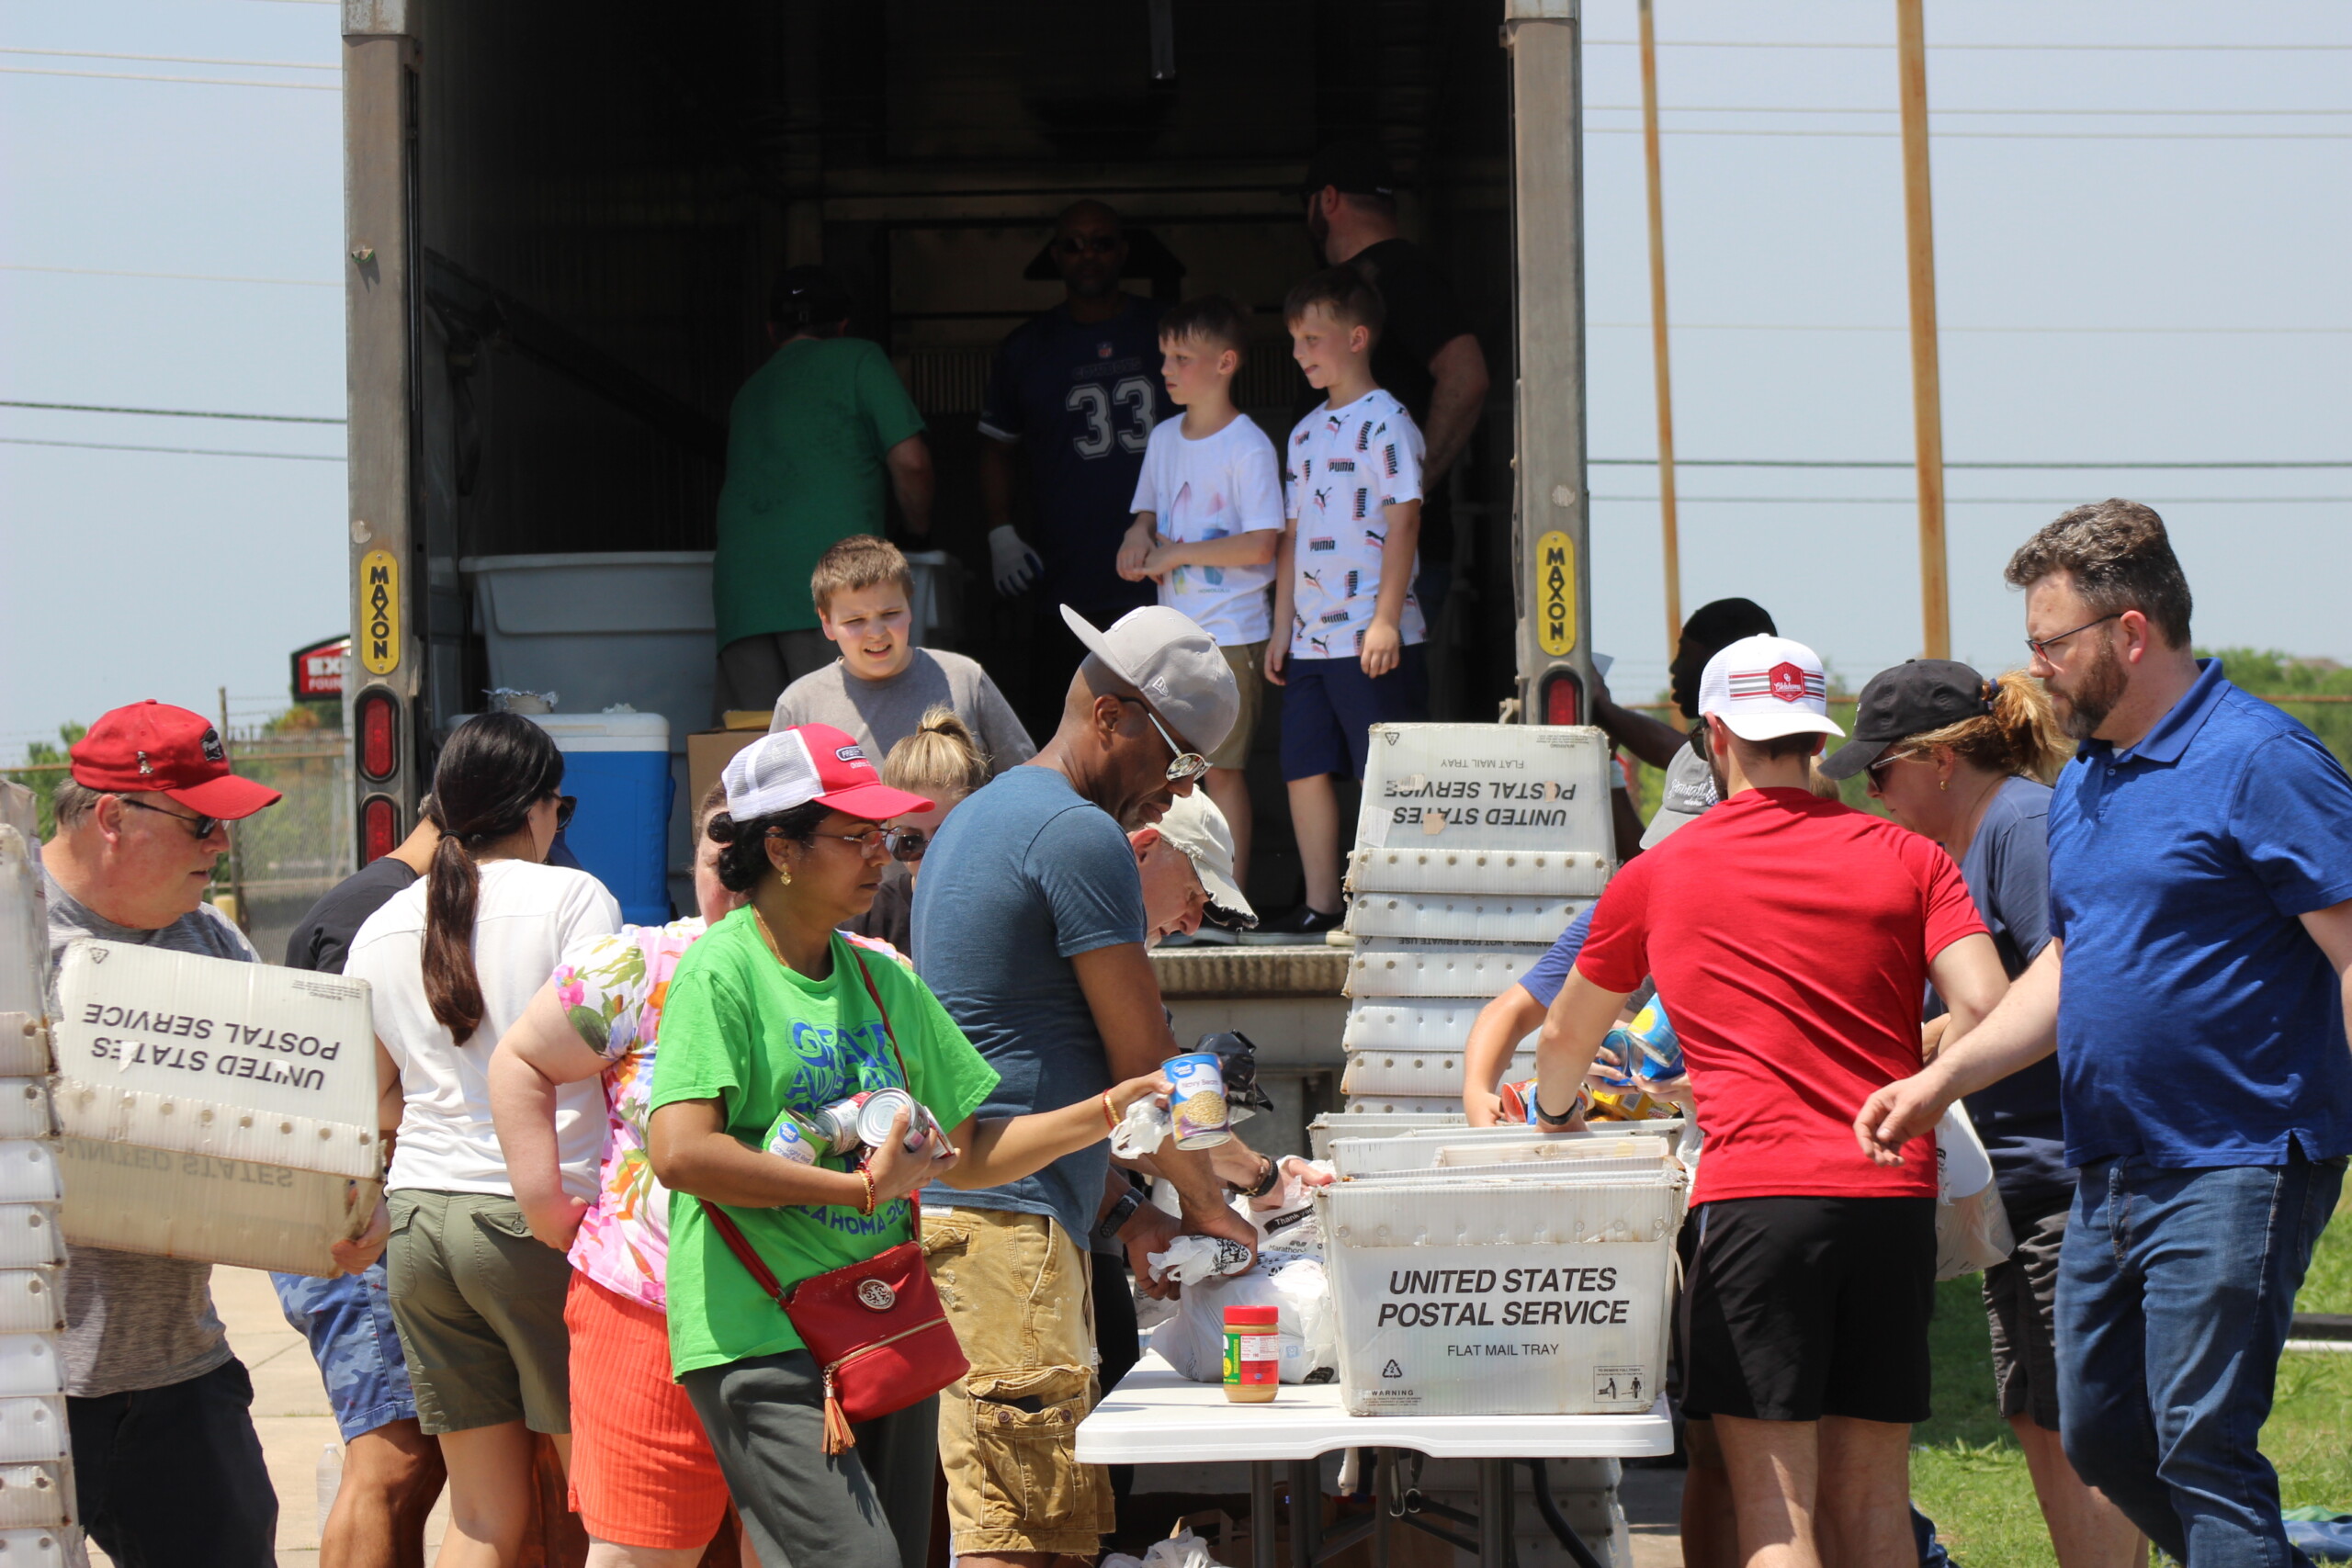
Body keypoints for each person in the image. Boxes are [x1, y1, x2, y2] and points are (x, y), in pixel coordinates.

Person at [1858, 501, 2352, 1568]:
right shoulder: (2088, 781)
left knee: (2197, 1446)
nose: (2034, 669)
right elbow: (2070, 966)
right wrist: (1946, 1077)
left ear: (2130, 634)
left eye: (2051, 643)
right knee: (2100, 1437)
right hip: (2110, 1168)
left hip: (2237, 1159)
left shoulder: (2260, 760)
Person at [644, 726, 1170, 1568]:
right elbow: (679, 1153)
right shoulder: (723, 971)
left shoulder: (884, 977)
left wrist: (1106, 1108)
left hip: (882, 1319)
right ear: (778, 847)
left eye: (881, 835)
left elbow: (975, 1149)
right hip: (760, 1327)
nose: (878, 856)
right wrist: (861, 1191)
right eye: (853, 836)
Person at [1534, 636, 2008, 1568]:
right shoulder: (1906, 857)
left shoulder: (1661, 872)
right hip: (1890, 1198)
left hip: (1756, 1203)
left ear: (1715, 735)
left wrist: (1556, 1116)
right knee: (1874, 1500)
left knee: (1776, 1511)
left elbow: (1561, 1038)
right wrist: (1918, 1087)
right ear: (1815, 734)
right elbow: (1987, 1006)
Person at [910, 604, 1261, 1567]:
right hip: (1003, 1236)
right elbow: (1148, 1076)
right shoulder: (1078, 834)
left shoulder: (984, 815)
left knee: (1028, 1518)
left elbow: (1018, 1072)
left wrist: (1125, 1218)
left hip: (992, 1214)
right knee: (1020, 1535)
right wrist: (1228, 1205)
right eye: (1178, 760)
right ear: (1113, 716)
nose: (1177, 787)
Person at [1822, 660, 2143, 1568]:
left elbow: (2074, 985)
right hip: (2019, 1183)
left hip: (2066, 1178)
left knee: (2084, 1425)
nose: (1873, 793)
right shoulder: (1978, 840)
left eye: (1878, 772)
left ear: (1936, 760)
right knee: (2037, 1413)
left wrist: (1923, 1060)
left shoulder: (2020, 827)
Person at [346, 713, 620, 1565]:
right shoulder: (574, 899)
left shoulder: (384, 922)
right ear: (538, 808)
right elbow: (614, 1046)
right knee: (608, 1505)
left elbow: (372, 1100)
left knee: (480, 1515)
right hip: (541, 1217)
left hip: (422, 1224)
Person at [39, 700, 289, 1564]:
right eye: (201, 822)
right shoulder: (11, 937)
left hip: (174, 1374)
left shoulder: (208, 937)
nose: (220, 845)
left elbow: (302, 1117)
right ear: (113, 817)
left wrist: (343, 1202)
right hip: (20, 1381)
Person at [481, 784, 754, 1568]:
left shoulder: (864, 972)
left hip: (804, 1317)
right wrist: (541, 1199)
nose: (730, 880)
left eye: (749, 859)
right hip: (646, 1303)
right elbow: (524, 1058)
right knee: (636, 1554)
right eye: (715, 857)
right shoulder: (640, 964)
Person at [276, 806, 450, 1568]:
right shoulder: (375, 917)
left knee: (414, 1457)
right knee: (393, 1456)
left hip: (362, 1210)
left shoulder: (372, 900)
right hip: (350, 1212)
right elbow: (348, 1089)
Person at [1259, 267, 1429, 940]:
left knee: (1379, 771)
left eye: (1312, 338)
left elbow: (1405, 519)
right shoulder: (1302, 434)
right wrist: (1280, 628)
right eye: (1295, 339)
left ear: (1357, 338)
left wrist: (1386, 617)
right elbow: (1292, 535)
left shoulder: (1388, 420)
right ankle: (1323, 903)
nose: (1300, 353)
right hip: (1307, 640)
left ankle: (1387, 903)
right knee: (1303, 766)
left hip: (1370, 634)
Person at [977, 200, 1178, 742]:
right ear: (1055, 255)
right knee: (1074, 728)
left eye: (1102, 242)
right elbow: (997, 448)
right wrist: (1000, 530)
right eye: (1073, 244)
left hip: (1162, 566)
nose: (1088, 254)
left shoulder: (1164, 331)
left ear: (1124, 251)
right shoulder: (1027, 348)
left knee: (1167, 724)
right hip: (1065, 568)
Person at [1114, 294, 1284, 889]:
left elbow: (1263, 543)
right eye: (1165, 355)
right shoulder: (1163, 437)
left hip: (1230, 635)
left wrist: (1177, 552)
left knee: (1223, 773)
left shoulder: (1249, 445)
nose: (1166, 369)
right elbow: (1144, 513)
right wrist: (1136, 541)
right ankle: (1177, 896)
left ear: (1225, 362)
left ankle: (1228, 899)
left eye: (1181, 356)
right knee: (1167, 773)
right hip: (1170, 637)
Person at [714, 265, 934, 716]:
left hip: (743, 596)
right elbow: (911, 461)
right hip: (837, 589)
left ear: (772, 330)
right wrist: (918, 531)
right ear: (842, 325)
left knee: (756, 753)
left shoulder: (747, 392)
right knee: (850, 745)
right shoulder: (859, 359)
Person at [1300, 139, 1490, 622]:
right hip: (1342, 566)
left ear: (1327, 200)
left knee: (1383, 698)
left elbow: (1467, 377)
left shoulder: (1399, 273)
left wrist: (1409, 491)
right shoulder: (1370, 280)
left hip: (1396, 562)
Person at [770, 536, 1035, 774]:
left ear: (910, 607)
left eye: (890, 614)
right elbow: (779, 815)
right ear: (827, 622)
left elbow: (1026, 779)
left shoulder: (965, 678)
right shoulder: (799, 705)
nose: (875, 633)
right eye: (855, 620)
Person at [850, 707, 994, 955]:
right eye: (910, 842)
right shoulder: (870, 917)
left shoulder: (1009, 904)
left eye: (945, 837)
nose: (930, 857)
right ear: (889, 830)